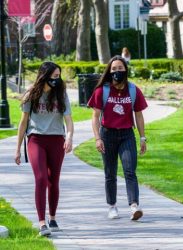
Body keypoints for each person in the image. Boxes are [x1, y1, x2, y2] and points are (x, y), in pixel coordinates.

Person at [14, 62, 74, 236]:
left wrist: (69, 137)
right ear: (44, 76)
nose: (57, 79)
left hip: (56, 140)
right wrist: (17, 148)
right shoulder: (32, 94)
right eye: (54, 76)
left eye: (58, 76)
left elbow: (69, 120)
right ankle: (42, 223)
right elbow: (23, 122)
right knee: (41, 178)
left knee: (53, 180)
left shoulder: (61, 93)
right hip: (36, 139)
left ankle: (52, 218)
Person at [87, 55, 147, 220]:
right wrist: (97, 138)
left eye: (120, 68)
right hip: (107, 134)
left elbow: (139, 115)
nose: (117, 71)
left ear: (126, 70)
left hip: (127, 134)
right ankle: (112, 206)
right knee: (110, 173)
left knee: (130, 170)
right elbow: (95, 116)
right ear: (109, 70)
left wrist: (142, 138)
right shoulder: (102, 91)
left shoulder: (133, 90)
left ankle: (134, 206)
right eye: (114, 69)